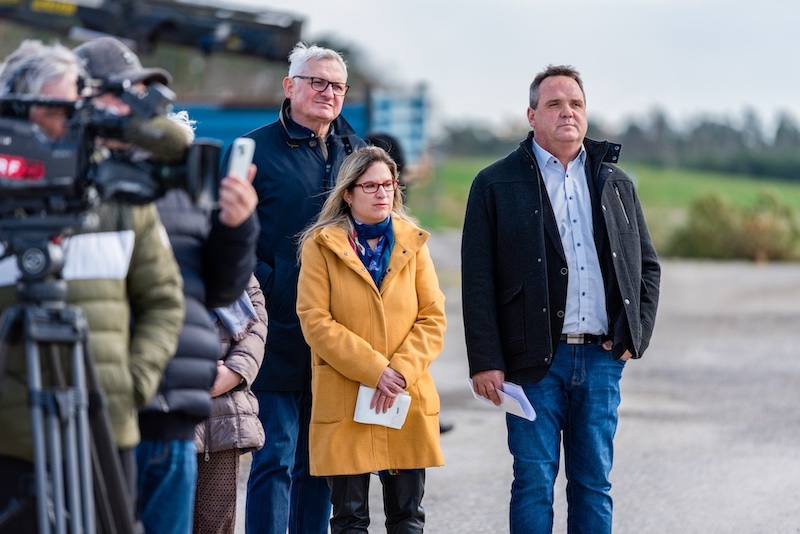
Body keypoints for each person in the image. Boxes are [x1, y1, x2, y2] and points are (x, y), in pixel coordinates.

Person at [461, 64, 661, 533]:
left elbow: (646, 267)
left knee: (594, 484)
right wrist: (485, 361)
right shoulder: (494, 183)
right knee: (533, 482)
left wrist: (634, 335)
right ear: (531, 115)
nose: (567, 112)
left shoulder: (615, 181)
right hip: (531, 364)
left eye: (575, 103)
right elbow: (478, 280)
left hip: (601, 359)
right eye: (554, 104)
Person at [72, 36, 260, 534]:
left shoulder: (177, 177)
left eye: (141, 93)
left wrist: (237, 226)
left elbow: (223, 290)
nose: (137, 106)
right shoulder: (64, 178)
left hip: (173, 405)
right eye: (123, 93)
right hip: (93, 403)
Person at [0, 40, 185, 532]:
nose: (71, 123)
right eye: (57, 109)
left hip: (105, 429)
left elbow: (164, 300)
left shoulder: (114, 191)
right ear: (17, 109)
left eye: (77, 108)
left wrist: (133, 381)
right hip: (11, 442)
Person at [222, 41, 367, 534]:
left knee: (320, 458)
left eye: (337, 85)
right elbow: (227, 232)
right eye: (317, 82)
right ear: (289, 86)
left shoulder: (355, 152)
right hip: (278, 324)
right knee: (276, 455)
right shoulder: (252, 151)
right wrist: (272, 284)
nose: (328, 92)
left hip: (336, 329)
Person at [296, 146, 446, 533]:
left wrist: (399, 371)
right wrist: (375, 370)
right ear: (348, 193)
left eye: (389, 184)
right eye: (370, 186)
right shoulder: (321, 245)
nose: (383, 193)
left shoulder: (414, 242)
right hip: (346, 397)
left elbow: (432, 317)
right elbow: (315, 320)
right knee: (349, 520)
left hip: (403, 396)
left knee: (407, 517)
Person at [193, 274, 267, 534]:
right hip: (169, 408)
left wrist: (235, 371)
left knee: (217, 525)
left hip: (225, 414)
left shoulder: (226, 253)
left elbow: (255, 313)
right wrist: (189, 371)